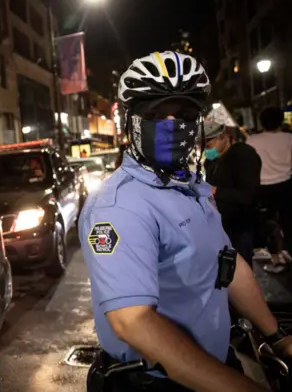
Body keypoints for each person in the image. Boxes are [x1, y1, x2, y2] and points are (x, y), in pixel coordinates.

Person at [80, 51, 292, 392]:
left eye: (184, 114)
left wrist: (278, 337)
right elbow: (132, 321)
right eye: (155, 114)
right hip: (152, 382)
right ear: (130, 121)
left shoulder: (191, 190)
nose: (171, 124)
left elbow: (229, 265)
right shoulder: (119, 206)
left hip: (214, 366)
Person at [203, 121, 262, 267]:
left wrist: (216, 191)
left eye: (208, 142)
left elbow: (248, 195)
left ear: (223, 137)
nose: (205, 148)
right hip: (218, 225)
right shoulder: (211, 160)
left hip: (239, 226)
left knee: (239, 268)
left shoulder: (244, 155)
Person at [247, 107, 292, 272]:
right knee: (288, 221)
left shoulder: (253, 141)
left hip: (263, 187)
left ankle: (276, 259)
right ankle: (287, 251)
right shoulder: (289, 138)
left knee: (268, 224)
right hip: (286, 184)